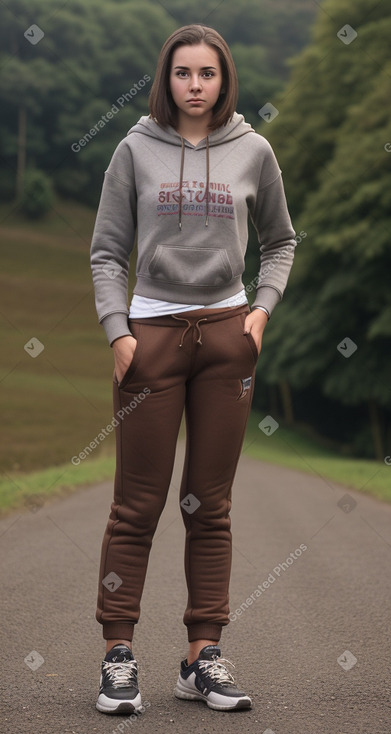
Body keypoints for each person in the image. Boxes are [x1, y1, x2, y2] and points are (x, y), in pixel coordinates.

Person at [90, 22, 296, 715]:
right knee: (136, 505)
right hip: (148, 336)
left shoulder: (253, 151)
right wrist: (119, 332)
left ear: (224, 78)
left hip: (226, 336)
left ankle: (200, 657)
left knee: (209, 506)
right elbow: (105, 250)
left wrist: (259, 314)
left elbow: (280, 240)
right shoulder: (133, 150)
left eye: (207, 74)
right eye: (183, 73)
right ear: (166, 79)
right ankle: (118, 656)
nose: (196, 86)